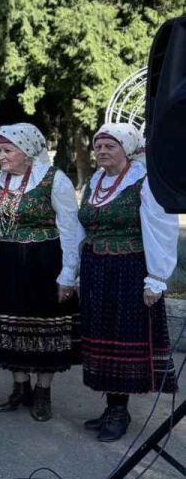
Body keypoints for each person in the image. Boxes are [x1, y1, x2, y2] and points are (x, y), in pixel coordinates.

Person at [79, 123, 179, 441]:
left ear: (128, 149)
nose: (102, 151)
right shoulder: (96, 181)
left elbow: (161, 229)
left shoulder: (145, 183)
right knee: (102, 339)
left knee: (124, 340)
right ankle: (111, 407)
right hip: (97, 269)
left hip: (129, 270)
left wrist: (156, 278)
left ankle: (120, 411)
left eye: (110, 146)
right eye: (99, 146)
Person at [0, 124, 82, 422]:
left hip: (42, 264)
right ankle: (19, 387)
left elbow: (70, 230)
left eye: (8, 150)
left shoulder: (54, 180)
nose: (1, 156)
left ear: (28, 153)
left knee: (41, 327)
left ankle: (42, 393)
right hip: (2, 264)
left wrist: (68, 274)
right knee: (9, 328)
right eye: (0, 150)